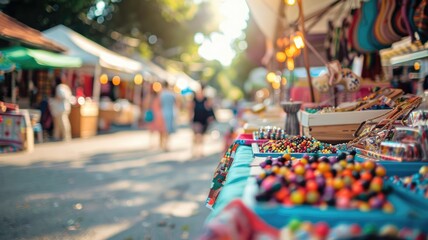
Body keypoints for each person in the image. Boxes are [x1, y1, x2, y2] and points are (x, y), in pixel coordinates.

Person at [189, 84, 215, 157]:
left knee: (201, 136)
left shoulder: (206, 99)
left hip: (203, 119)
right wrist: (190, 118)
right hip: (196, 118)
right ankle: (194, 150)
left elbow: (210, 108)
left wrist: (211, 116)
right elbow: (190, 108)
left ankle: (200, 150)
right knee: (196, 134)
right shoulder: (194, 98)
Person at [49, 77, 72, 141]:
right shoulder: (65, 87)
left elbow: (62, 96)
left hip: (61, 109)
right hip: (61, 108)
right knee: (58, 124)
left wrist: (56, 98)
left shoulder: (60, 87)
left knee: (63, 123)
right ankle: (56, 136)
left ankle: (66, 137)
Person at [145, 83, 166, 149]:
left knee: (153, 130)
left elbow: (146, 105)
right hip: (159, 114)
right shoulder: (160, 96)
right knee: (160, 130)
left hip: (154, 114)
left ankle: (153, 143)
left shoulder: (151, 97)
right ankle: (160, 144)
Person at [159, 81, 177, 151]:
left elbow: (159, 104)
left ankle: (162, 144)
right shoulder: (171, 94)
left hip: (162, 112)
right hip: (170, 112)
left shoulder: (161, 94)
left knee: (162, 129)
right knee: (168, 129)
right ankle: (167, 144)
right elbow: (176, 103)